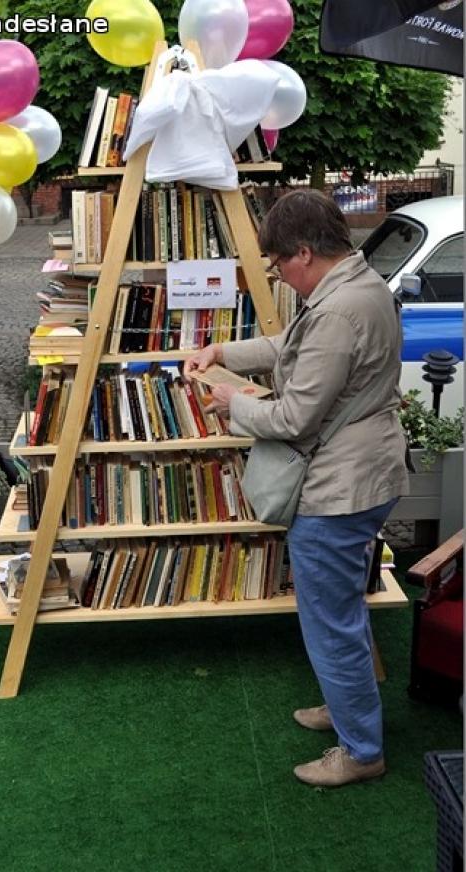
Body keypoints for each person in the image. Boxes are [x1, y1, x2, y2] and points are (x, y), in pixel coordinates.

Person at [183, 189, 409, 788]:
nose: (279, 274)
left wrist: (233, 401)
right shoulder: (358, 286)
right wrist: (224, 350)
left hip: (340, 488)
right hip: (361, 474)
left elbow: (293, 420)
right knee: (340, 613)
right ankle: (347, 711)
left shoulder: (337, 309)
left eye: (279, 263)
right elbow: (293, 349)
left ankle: (361, 750)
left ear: (304, 253)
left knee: (330, 621)